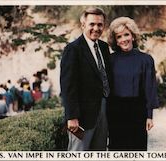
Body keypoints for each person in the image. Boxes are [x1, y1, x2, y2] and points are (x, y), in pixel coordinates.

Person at [60, 7, 110, 150]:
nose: (96, 28)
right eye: (92, 24)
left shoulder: (104, 47)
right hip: (81, 117)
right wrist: (72, 117)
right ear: (83, 25)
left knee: (100, 152)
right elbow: (68, 86)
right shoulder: (73, 49)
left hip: (103, 111)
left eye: (100, 24)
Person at [107, 17, 159, 151]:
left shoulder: (146, 60)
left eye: (126, 34)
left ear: (133, 36)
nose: (124, 39)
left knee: (137, 149)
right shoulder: (110, 60)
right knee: (117, 149)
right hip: (115, 112)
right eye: (119, 36)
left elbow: (150, 88)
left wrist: (149, 116)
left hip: (137, 111)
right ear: (115, 41)